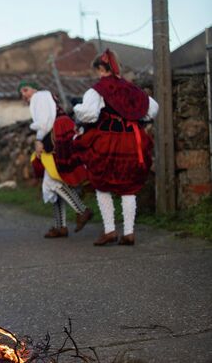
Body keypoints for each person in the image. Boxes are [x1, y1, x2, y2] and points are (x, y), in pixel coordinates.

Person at [73, 49, 158, 246]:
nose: (98, 75)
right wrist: (135, 117)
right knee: (128, 187)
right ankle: (129, 233)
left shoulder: (97, 90)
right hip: (131, 141)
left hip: (107, 141)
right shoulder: (132, 89)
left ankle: (110, 230)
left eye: (98, 71)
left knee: (102, 184)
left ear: (102, 68)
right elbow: (152, 109)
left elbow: (88, 115)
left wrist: (77, 108)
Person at [19, 80, 93, 238]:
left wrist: (39, 139)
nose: (24, 95)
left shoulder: (39, 96)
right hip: (60, 132)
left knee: (52, 181)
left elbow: (45, 121)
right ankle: (60, 226)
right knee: (53, 180)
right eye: (21, 93)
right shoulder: (45, 96)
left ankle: (82, 210)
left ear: (34, 88)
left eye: (25, 90)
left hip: (56, 134)